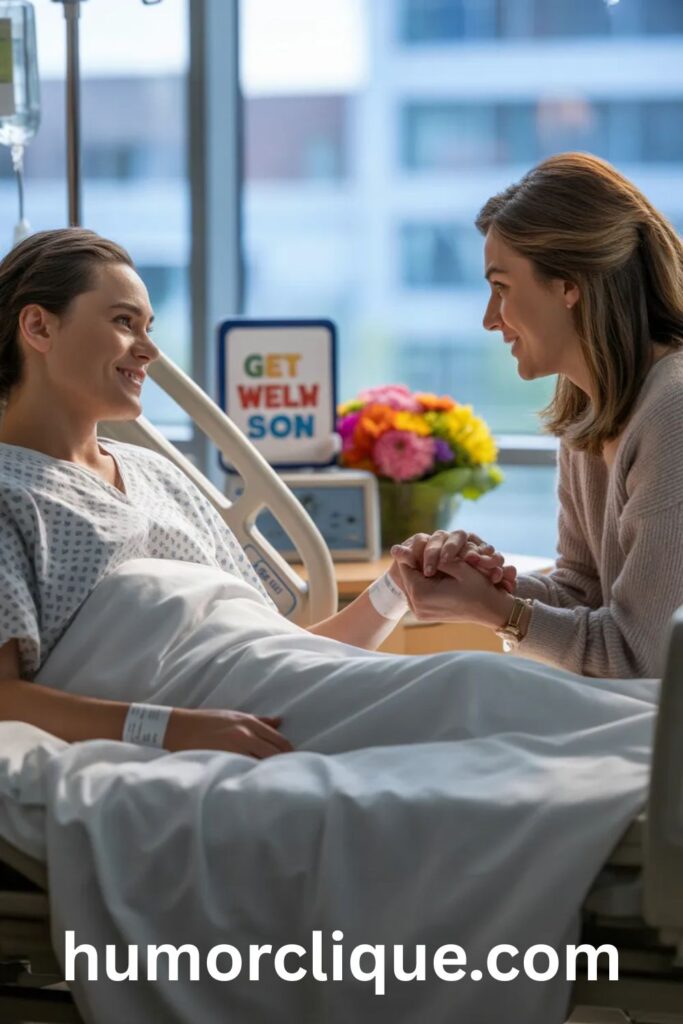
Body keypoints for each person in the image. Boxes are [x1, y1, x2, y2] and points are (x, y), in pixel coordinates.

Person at [0, 227, 512, 760]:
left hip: (280, 698)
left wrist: (394, 591)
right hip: (235, 724)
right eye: (124, 322)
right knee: (478, 706)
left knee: (479, 685)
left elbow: (280, 653)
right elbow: (4, 699)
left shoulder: (159, 475)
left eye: (148, 327)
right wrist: (168, 730)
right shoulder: (10, 496)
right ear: (39, 326)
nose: (150, 350)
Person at [392, 152, 683, 680]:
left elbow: (644, 661)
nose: (489, 319)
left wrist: (497, 612)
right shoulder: (590, 413)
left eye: (501, 287)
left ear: (569, 284)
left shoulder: (674, 413)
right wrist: (485, 587)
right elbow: (582, 591)